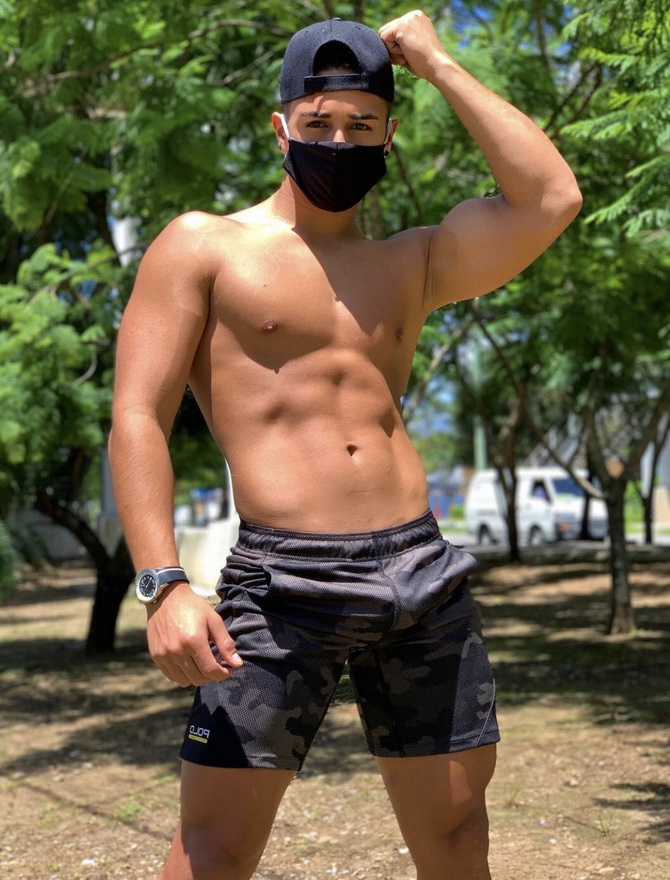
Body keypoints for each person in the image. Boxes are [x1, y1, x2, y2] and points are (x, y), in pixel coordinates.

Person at [109, 10, 581, 880]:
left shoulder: (415, 261)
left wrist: (439, 65)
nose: (339, 141)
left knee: (456, 838)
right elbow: (138, 414)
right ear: (280, 126)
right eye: (319, 121)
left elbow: (550, 200)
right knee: (215, 850)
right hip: (282, 584)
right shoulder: (204, 245)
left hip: (422, 573)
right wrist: (162, 584)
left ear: (389, 137)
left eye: (363, 125)